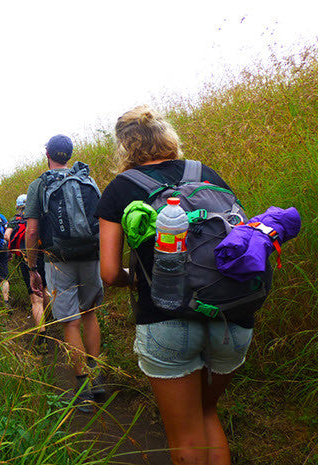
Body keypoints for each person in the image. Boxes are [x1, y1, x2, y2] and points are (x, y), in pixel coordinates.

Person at [96, 105, 252, 465]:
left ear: (124, 147)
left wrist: (136, 279)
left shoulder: (121, 188)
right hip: (232, 314)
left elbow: (108, 273)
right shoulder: (206, 172)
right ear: (168, 137)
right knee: (207, 413)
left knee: (184, 435)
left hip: (166, 318)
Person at [24, 134, 105, 412]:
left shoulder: (39, 184)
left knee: (70, 322)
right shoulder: (87, 178)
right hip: (91, 255)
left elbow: (32, 231)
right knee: (90, 313)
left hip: (58, 260)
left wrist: (32, 267)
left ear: (46, 152)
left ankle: (83, 392)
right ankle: (98, 379)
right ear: (70, 154)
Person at [4, 194, 50, 353]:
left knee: (36, 300)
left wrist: (10, 251)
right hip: (44, 257)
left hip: (26, 260)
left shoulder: (14, 220)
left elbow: (6, 235)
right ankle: (48, 319)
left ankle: (42, 338)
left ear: (17, 206)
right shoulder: (39, 216)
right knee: (45, 290)